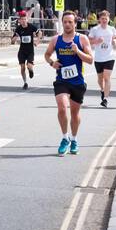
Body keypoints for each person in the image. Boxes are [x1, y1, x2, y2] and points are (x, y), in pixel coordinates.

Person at [45, 9, 93, 154]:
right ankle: (65, 138)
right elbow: (47, 54)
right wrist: (52, 62)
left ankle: (74, 139)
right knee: (61, 107)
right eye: (65, 22)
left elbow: (90, 60)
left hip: (77, 82)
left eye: (70, 22)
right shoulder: (56, 40)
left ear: (75, 23)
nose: (67, 24)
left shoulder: (82, 39)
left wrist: (77, 51)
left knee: (74, 113)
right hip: (62, 81)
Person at [88, 8, 116, 108]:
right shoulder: (95, 29)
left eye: (106, 19)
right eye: (102, 19)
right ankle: (102, 90)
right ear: (99, 19)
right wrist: (97, 41)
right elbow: (89, 41)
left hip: (109, 57)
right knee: (100, 79)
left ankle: (105, 99)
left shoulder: (112, 29)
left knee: (107, 78)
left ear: (108, 19)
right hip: (98, 58)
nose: (104, 20)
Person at [12, 9, 38, 89]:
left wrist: (37, 41)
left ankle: (31, 71)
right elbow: (13, 39)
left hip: (30, 50)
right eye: (21, 19)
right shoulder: (19, 28)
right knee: (22, 67)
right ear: (19, 20)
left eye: (24, 19)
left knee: (29, 66)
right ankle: (25, 82)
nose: (23, 21)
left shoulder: (31, 27)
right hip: (22, 51)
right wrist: (13, 39)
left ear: (27, 19)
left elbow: (39, 33)